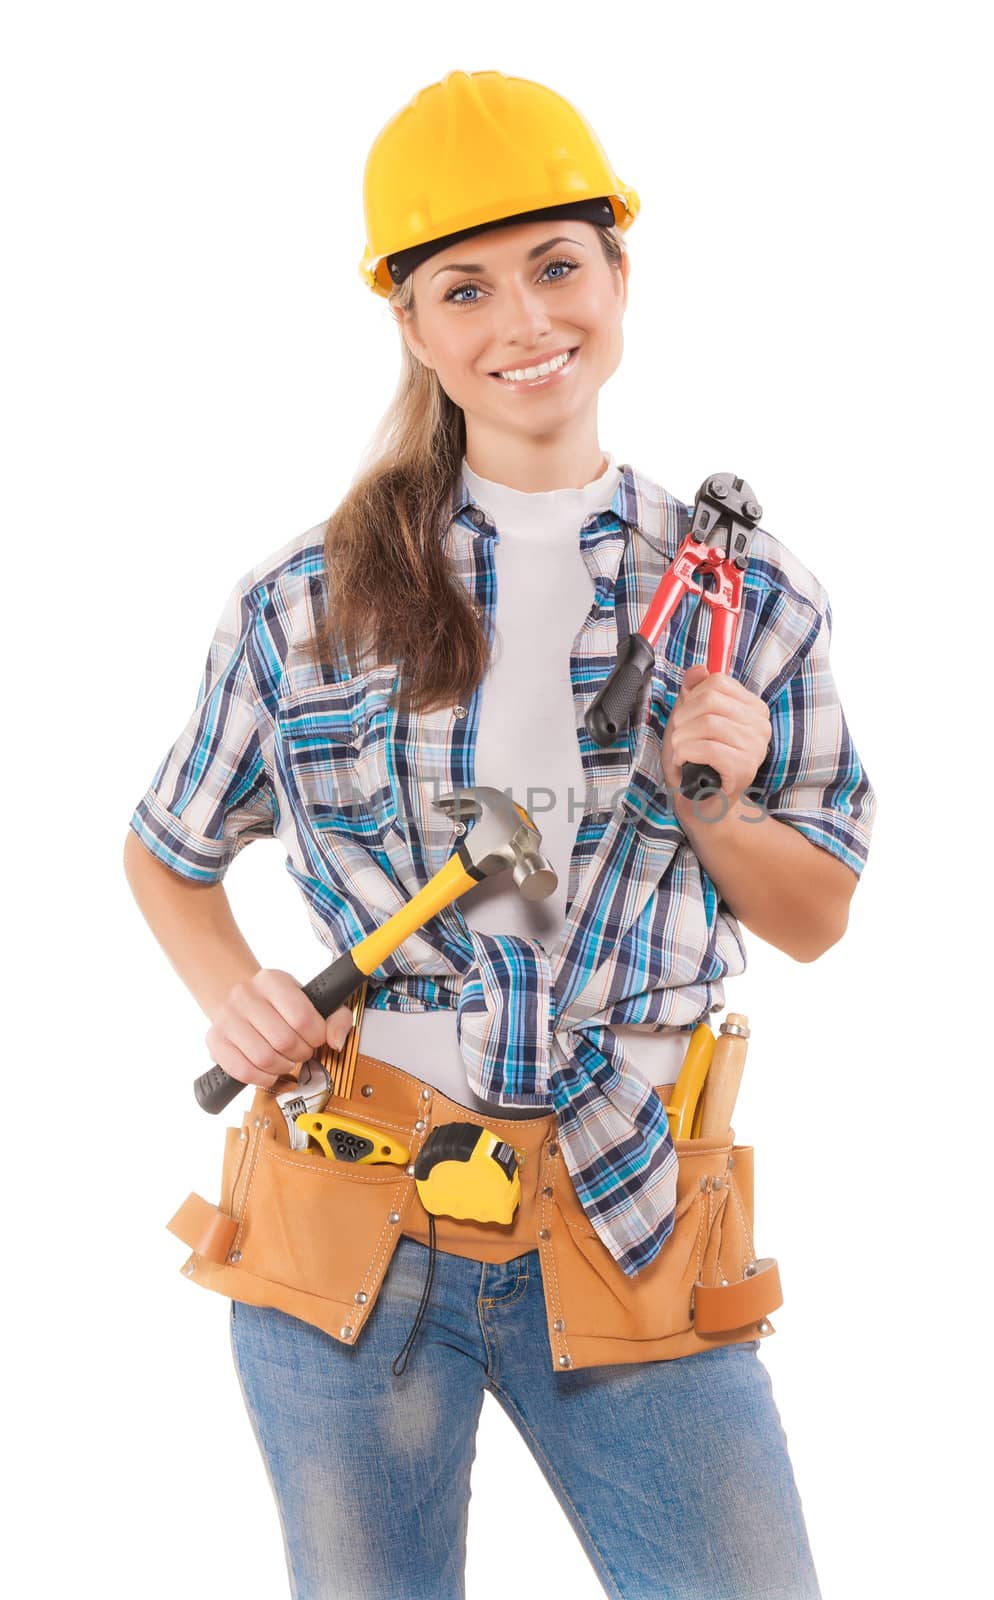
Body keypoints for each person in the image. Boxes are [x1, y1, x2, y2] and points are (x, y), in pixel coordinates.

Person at [124, 69, 875, 1600]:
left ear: (617, 274)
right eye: (464, 287)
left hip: (633, 1206)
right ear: (411, 323)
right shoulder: (307, 601)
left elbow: (813, 920)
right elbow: (167, 847)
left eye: (557, 267)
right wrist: (232, 989)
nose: (524, 321)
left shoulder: (742, 596)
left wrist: (712, 798)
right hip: (353, 1218)